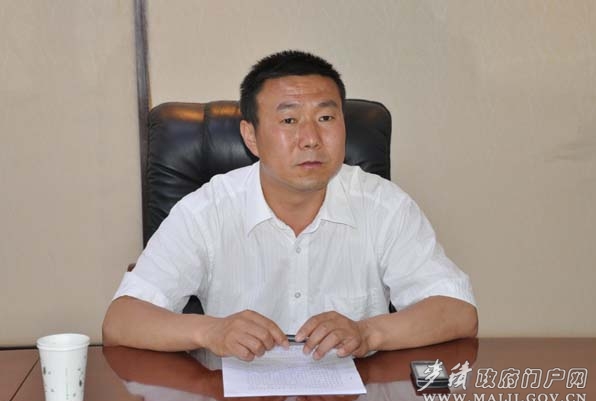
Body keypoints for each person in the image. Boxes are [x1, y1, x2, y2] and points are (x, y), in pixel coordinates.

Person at [103, 50, 477, 362]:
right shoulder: (207, 210)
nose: (311, 138)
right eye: (289, 120)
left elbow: (458, 312)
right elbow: (121, 321)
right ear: (251, 136)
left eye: (326, 118)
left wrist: (367, 333)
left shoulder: (384, 206)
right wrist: (211, 331)